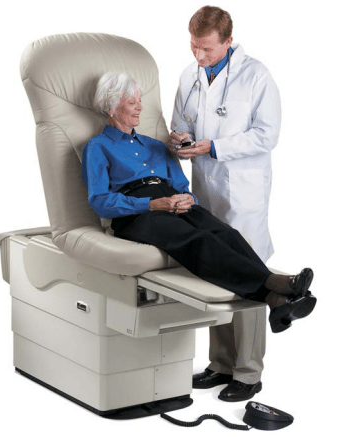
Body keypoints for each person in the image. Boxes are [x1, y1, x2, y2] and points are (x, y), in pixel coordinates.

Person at [81, 72, 316, 353]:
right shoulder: (97, 147)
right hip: (136, 212)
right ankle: (276, 285)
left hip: (172, 199)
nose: (140, 107)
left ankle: (276, 302)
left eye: (140, 100)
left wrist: (188, 199)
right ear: (111, 107)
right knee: (197, 239)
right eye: (132, 102)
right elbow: (100, 201)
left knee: (225, 232)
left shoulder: (155, 146)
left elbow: (182, 186)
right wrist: (152, 205)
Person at [168, 6, 281, 401]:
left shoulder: (256, 76)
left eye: (208, 50)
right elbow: (180, 123)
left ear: (228, 42)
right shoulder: (190, 75)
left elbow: (267, 135)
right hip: (206, 187)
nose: (199, 56)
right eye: (194, 47)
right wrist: (180, 140)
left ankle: (248, 373)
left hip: (243, 191)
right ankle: (220, 364)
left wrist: (214, 147)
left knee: (249, 273)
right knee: (214, 269)